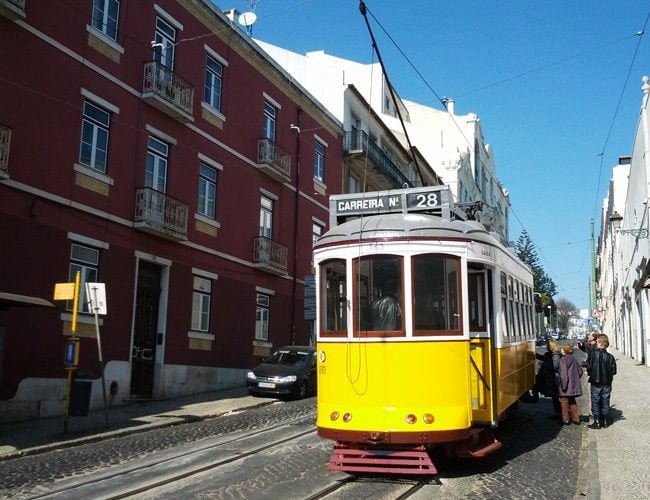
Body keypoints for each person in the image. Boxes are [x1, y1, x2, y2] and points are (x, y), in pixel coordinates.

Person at [587, 334, 617, 429]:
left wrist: (590, 372)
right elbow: (614, 371)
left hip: (596, 382)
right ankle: (605, 420)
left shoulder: (593, 353)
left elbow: (589, 366)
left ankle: (597, 421)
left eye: (597, 342)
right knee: (605, 400)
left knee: (595, 400)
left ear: (599, 342)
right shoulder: (610, 357)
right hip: (607, 383)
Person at [558, 343, 583, 425]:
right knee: (572, 401)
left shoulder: (563, 359)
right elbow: (580, 371)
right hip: (573, 385)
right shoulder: (573, 358)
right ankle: (576, 418)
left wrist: (563, 386)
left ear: (565, 350)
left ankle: (566, 419)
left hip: (566, 385)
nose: (561, 350)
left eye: (562, 348)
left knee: (564, 401)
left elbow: (563, 375)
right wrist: (575, 379)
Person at [535, 340, 561, 417]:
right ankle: (558, 413)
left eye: (548, 345)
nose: (546, 346)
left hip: (554, 378)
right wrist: (534, 354)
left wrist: (543, 364)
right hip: (550, 377)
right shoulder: (549, 354)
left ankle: (560, 414)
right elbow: (542, 357)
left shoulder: (556, 355)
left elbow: (554, 366)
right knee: (554, 397)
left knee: (556, 397)